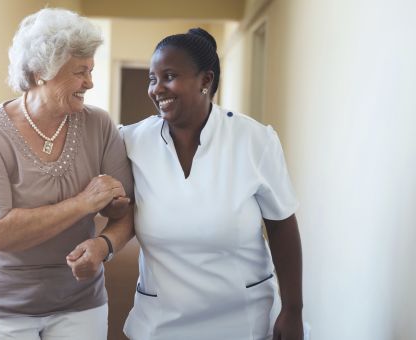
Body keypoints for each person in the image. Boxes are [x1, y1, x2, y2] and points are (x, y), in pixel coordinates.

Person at [0, 8, 134, 340]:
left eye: (91, 70)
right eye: (81, 72)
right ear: (42, 71)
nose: (90, 83)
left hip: (80, 299)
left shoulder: (99, 124)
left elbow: (126, 211)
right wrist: (84, 203)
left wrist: (104, 244)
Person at [121, 28, 304, 340]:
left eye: (169, 76)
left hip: (243, 318)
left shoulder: (254, 140)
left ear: (205, 81)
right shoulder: (131, 141)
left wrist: (293, 309)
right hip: (161, 319)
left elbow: (282, 225)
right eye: (152, 78)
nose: (156, 88)